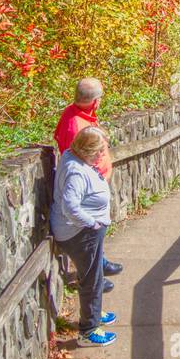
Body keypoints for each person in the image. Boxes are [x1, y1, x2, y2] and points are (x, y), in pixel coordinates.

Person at [50, 127, 117, 347]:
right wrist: (92, 223)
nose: (102, 155)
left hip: (83, 232)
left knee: (93, 273)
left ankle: (94, 313)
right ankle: (89, 329)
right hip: (79, 233)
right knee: (92, 278)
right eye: (100, 152)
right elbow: (70, 206)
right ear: (88, 151)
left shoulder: (73, 156)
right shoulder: (75, 171)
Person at [54, 78, 122, 282]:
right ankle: (94, 277)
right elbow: (77, 159)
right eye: (99, 98)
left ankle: (100, 263)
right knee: (89, 233)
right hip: (86, 188)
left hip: (95, 182)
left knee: (97, 233)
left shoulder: (81, 114)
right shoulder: (75, 125)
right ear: (94, 101)